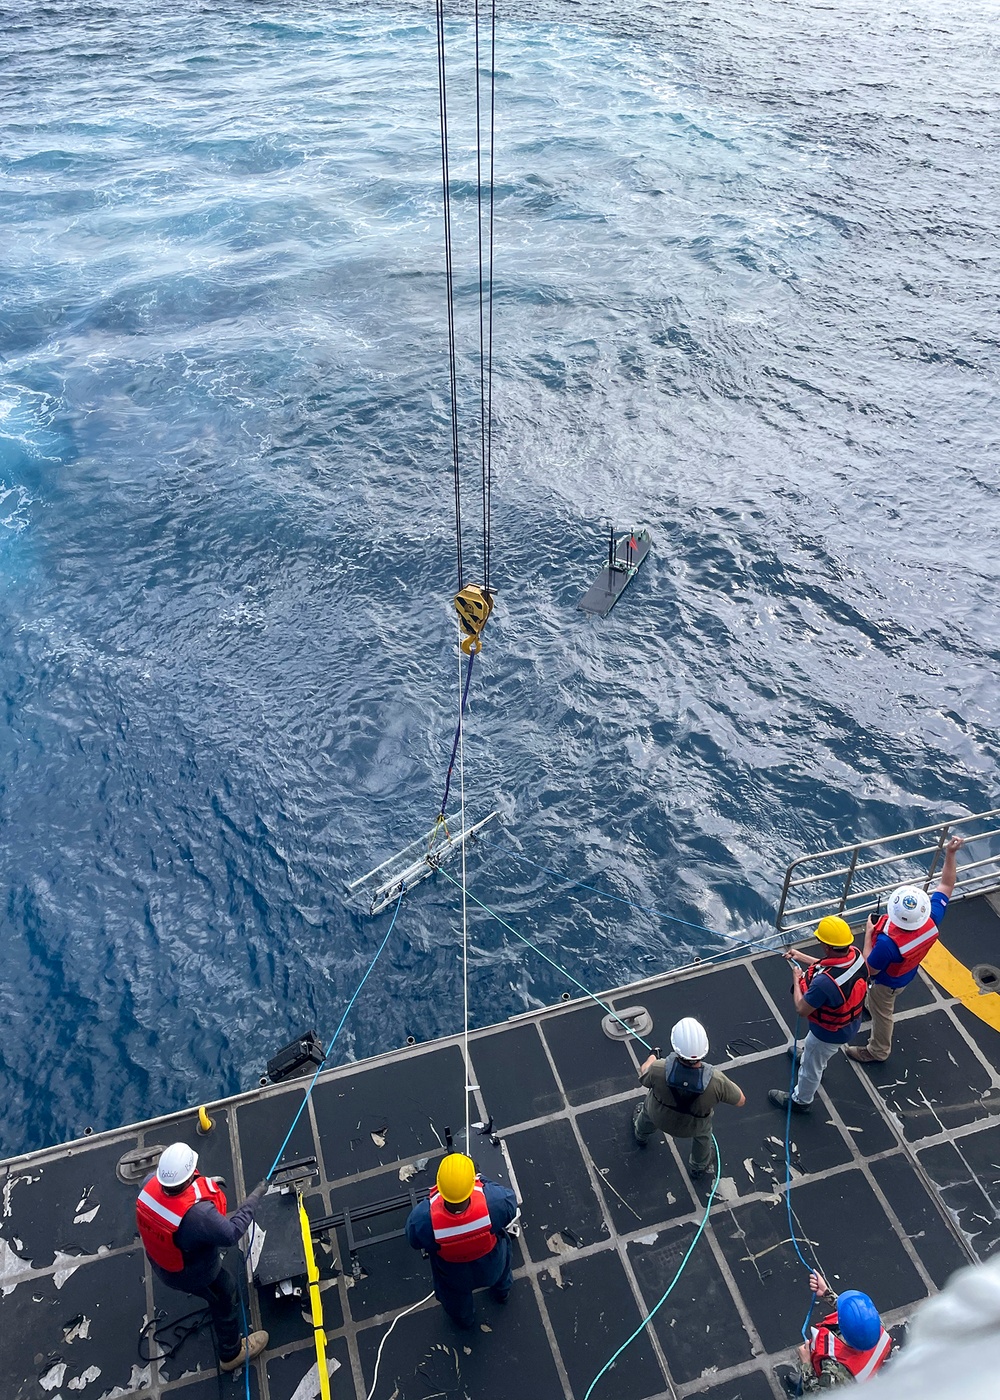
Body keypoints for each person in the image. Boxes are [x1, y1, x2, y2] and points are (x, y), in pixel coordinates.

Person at [136, 1142, 268, 1373]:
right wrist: (254, 1198)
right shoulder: (199, 1216)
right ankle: (231, 1354)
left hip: (161, 1262)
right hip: (193, 1273)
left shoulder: (147, 1183)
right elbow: (230, 1234)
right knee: (225, 1294)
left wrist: (206, 1187)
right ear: (187, 1179)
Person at [847, 836, 964, 1063]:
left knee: (884, 1014)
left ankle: (877, 1051)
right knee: (879, 1001)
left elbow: (868, 970)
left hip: (887, 984)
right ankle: (870, 1006)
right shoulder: (932, 918)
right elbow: (947, 885)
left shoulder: (887, 945)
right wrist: (951, 854)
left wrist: (869, 936)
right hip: (906, 974)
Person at [404, 1152, 519, 1329]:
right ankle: (502, 1293)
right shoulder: (495, 1202)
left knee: (455, 1300)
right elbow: (510, 1204)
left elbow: (414, 1240)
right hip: (491, 1263)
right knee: (501, 1274)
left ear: (439, 1186)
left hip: (453, 1273)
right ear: (471, 1183)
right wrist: (481, 1180)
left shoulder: (423, 1219)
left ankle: (465, 1320)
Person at [769, 916, 868, 1115]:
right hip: (850, 1024)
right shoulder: (856, 955)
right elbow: (833, 968)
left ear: (827, 946)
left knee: (810, 1069)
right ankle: (809, 1056)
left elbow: (801, 1008)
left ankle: (801, 1100)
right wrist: (801, 957)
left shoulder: (824, 984)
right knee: (813, 1052)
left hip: (827, 1034)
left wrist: (797, 980)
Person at [633, 1017, 745, 1177]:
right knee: (704, 1137)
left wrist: (653, 1056)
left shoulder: (658, 1068)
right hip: (693, 1127)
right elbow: (741, 1100)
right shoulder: (716, 1081)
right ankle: (698, 1167)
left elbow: (644, 1074)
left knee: (646, 1111)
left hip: (659, 1117)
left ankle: (641, 1135)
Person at [781, 1269, 891, 1394]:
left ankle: (804, 1384)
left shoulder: (833, 1369)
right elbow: (854, 1316)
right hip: (864, 1382)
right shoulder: (878, 1326)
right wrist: (826, 1293)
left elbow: (820, 1396)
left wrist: (806, 1365)